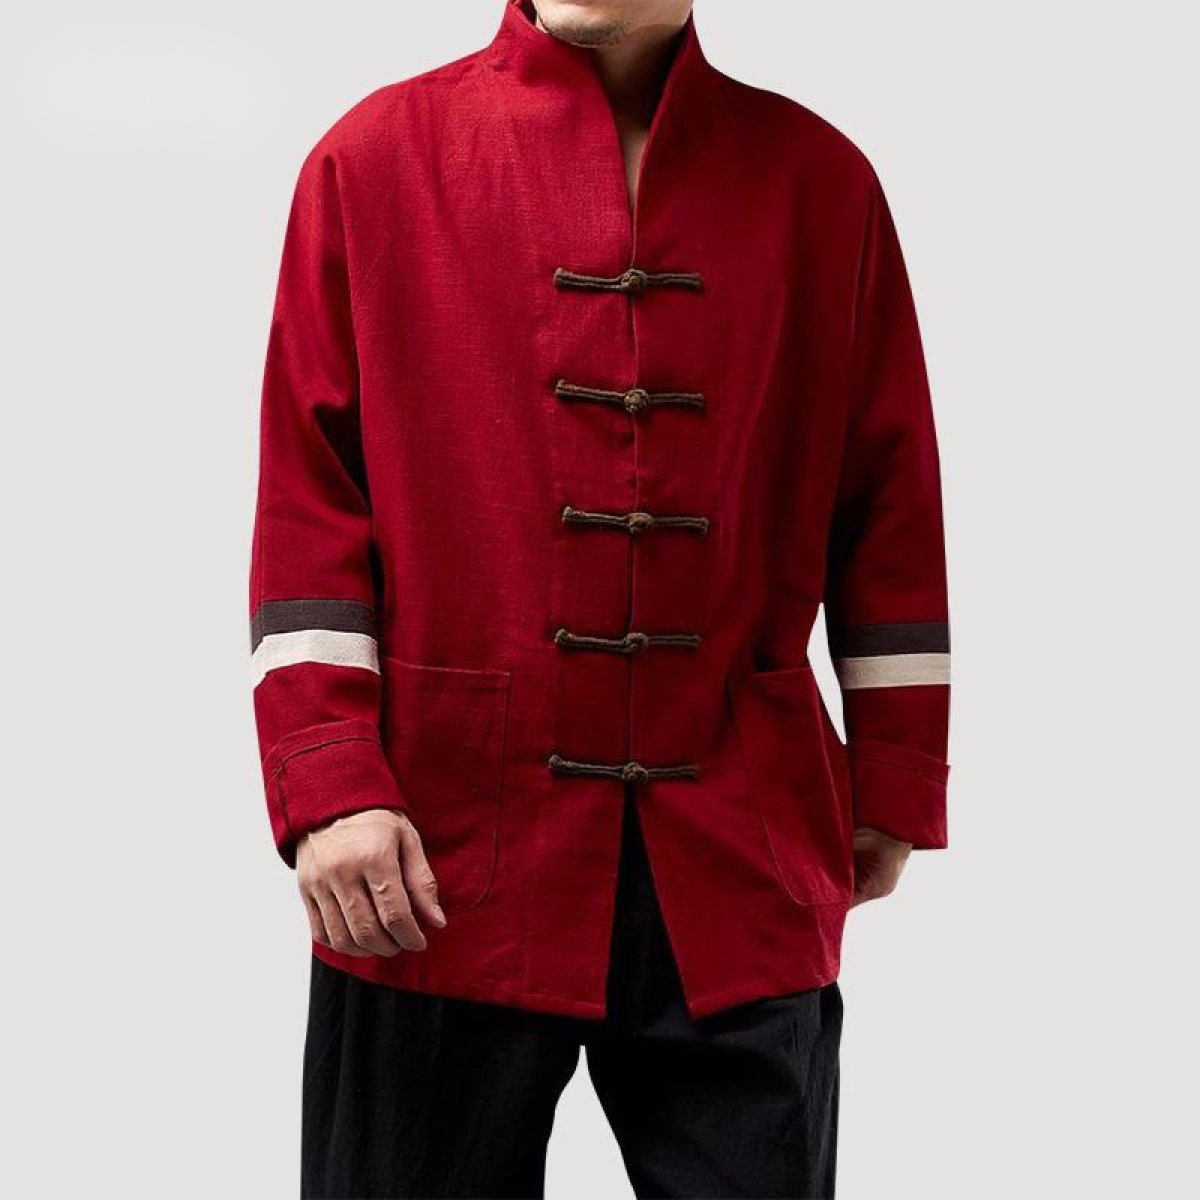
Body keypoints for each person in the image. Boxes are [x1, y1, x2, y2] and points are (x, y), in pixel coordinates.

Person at [249, 1, 950, 1195]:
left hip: (739, 843)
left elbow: (888, 490)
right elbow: (309, 498)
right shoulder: (370, 160)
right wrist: (330, 782)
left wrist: (895, 766)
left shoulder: (821, 181)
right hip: (428, 848)